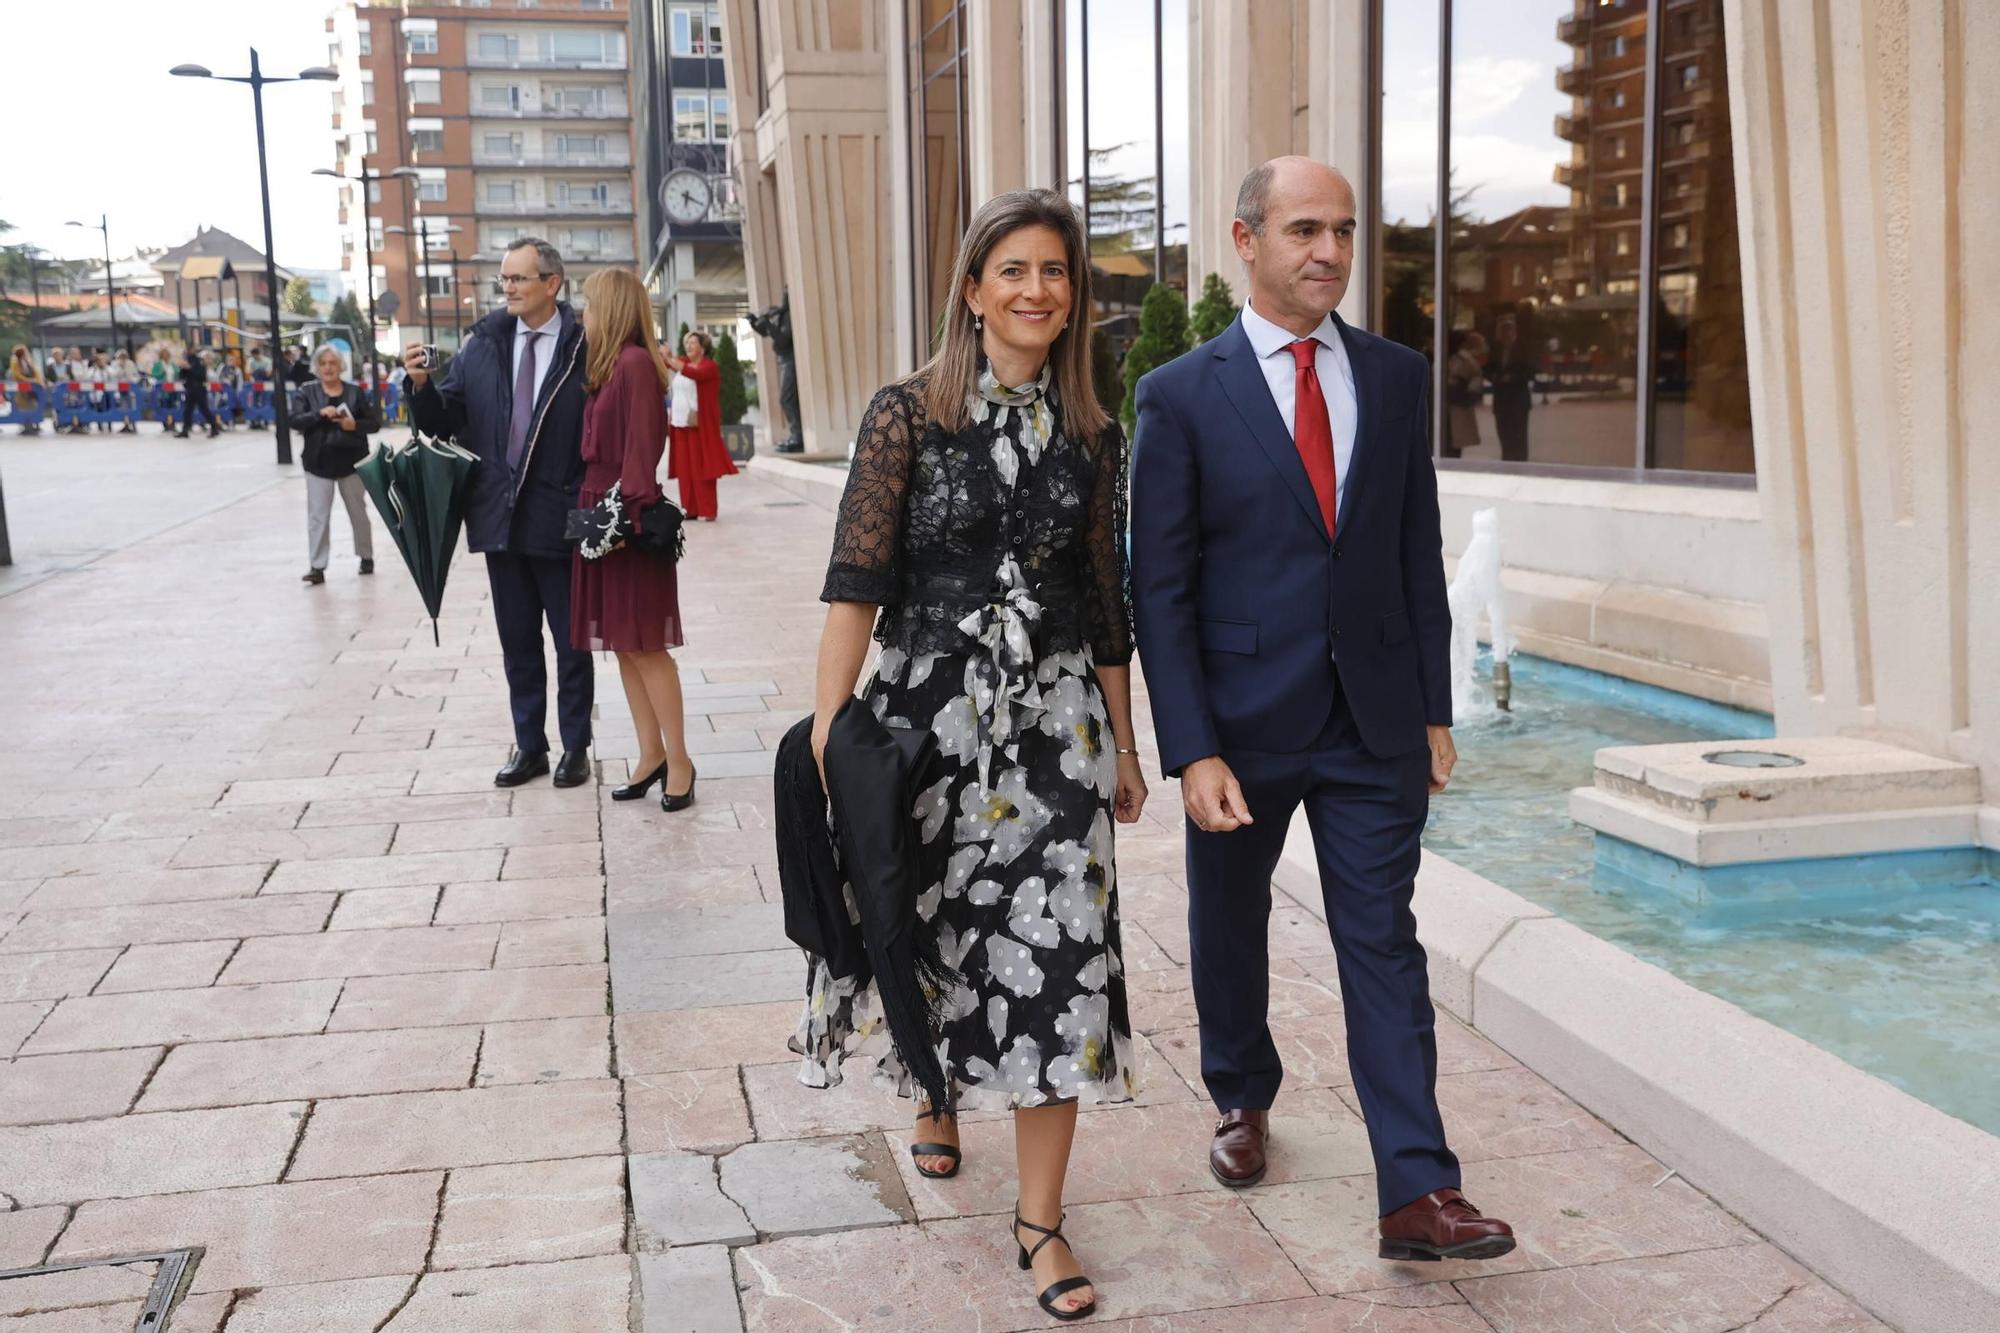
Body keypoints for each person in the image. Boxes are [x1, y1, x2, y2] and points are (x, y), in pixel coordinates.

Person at [1129, 157, 1517, 1263]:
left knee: (1381, 943)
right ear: (1244, 240)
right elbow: (1159, 584)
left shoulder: (1393, 377)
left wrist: (1433, 706)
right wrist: (1190, 746)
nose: (1329, 252)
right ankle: (1240, 1094)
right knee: (1229, 923)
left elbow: (1410, 548)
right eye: (1304, 229)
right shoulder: (1179, 393)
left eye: (1342, 230)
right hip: (1241, 728)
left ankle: (1415, 1190)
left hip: (1372, 726)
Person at [800, 189, 1145, 1323]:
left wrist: (1125, 745)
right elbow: (857, 578)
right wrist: (824, 728)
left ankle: (1039, 1219)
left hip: (1053, 732)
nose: (1036, 290)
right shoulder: (906, 414)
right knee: (928, 927)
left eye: (1055, 272)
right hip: (925, 721)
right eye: (1014, 270)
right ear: (971, 289)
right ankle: (934, 1093)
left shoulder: (1093, 433)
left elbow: (1104, 600)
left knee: (1064, 956)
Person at [406, 237, 593, 790]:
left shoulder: (584, 343)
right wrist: (420, 387)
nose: (507, 288)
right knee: (517, 643)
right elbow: (444, 420)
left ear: (552, 284)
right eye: (504, 279)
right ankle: (530, 746)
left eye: (518, 279)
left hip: (561, 515)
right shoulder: (483, 343)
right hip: (498, 516)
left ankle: (575, 747)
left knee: (570, 642)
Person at [568, 269, 696, 811]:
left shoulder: (636, 365)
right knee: (623, 645)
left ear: (613, 309)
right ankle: (650, 755)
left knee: (647, 645)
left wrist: (624, 522)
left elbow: (642, 453)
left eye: (590, 306)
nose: (584, 315)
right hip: (601, 511)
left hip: (626, 518)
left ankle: (680, 760)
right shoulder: (608, 367)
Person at [291, 346, 379, 586]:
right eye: (324, 363)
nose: (328, 367)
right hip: (318, 462)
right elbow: (295, 420)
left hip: (352, 461)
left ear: (341, 366)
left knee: (358, 512)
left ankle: (366, 556)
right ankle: (317, 566)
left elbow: (374, 423)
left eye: (332, 363)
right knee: (317, 516)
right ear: (317, 367)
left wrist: (354, 425)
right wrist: (319, 414)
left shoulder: (354, 392)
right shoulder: (307, 392)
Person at [660, 330, 737, 521]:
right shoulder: (683, 361)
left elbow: (692, 373)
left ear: (703, 348)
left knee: (701, 467)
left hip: (698, 426)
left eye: (693, 343)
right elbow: (665, 364)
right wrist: (662, 354)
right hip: (679, 424)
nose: (689, 346)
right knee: (684, 469)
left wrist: (669, 356)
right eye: (687, 343)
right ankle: (689, 508)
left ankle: (708, 509)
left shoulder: (709, 367)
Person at [1486, 314, 1534, 463]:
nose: (1506, 334)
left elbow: (1530, 371)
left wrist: (1513, 378)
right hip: (1501, 398)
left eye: (1508, 331)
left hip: (1518, 399)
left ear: (1513, 332)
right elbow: (1488, 369)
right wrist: (1493, 376)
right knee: (1504, 433)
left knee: (1519, 434)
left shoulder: (1523, 348)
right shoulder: (1496, 349)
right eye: (1503, 331)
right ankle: (1507, 460)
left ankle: (1520, 462)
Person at [1443, 329, 1485, 459]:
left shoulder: (1465, 359)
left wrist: (1468, 393)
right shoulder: (1439, 354)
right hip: (1441, 405)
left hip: (1457, 404)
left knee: (1455, 441)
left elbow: (1476, 376)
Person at [175, 346, 220, 439]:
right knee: (187, 411)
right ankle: (185, 430)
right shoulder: (187, 360)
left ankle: (214, 427)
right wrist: (182, 368)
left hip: (199, 389)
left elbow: (201, 375)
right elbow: (182, 375)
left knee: (204, 409)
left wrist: (190, 368)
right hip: (190, 389)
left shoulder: (199, 361)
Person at [8, 346, 43, 436]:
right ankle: (25, 425)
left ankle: (34, 423)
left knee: (33, 404)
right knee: (23, 406)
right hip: (21, 388)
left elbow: (36, 371)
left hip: (32, 388)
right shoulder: (15, 362)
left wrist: (38, 380)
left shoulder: (29, 361)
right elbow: (17, 374)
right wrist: (28, 380)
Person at [111, 350, 140, 433]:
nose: (122, 359)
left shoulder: (130, 364)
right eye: (121, 357)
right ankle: (125, 423)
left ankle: (133, 424)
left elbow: (134, 375)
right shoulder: (115, 364)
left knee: (131, 405)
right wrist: (121, 367)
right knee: (123, 406)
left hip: (130, 389)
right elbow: (114, 375)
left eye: (124, 357)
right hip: (119, 389)